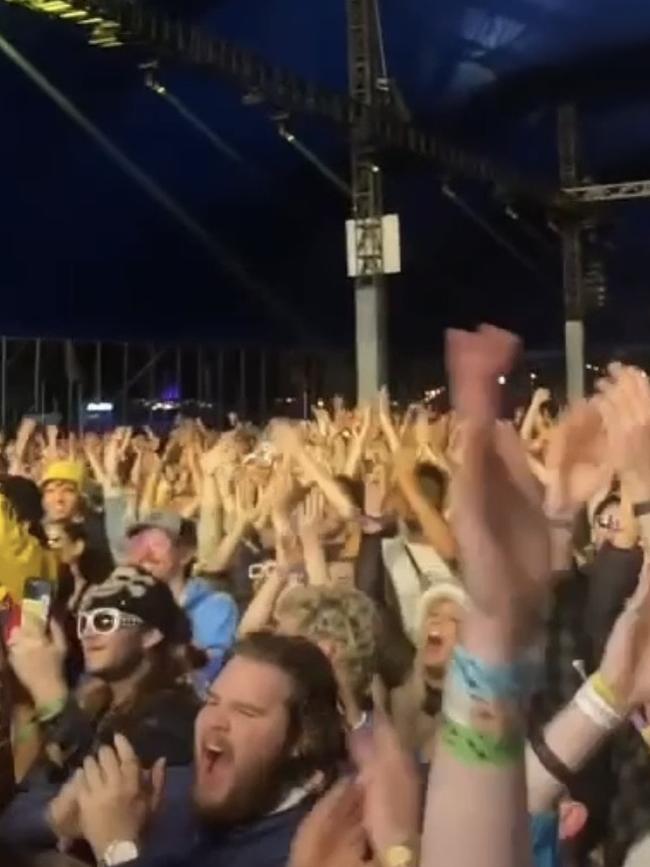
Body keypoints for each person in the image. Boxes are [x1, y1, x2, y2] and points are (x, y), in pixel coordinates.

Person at [51, 632, 348, 867]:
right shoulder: (169, 790)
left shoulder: (313, 845)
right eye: (212, 701)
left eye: (246, 712)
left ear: (301, 740)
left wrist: (117, 851)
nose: (216, 721)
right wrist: (71, 831)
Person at [124, 511, 239, 692]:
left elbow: (209, 675)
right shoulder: (123, 607)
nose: (145, 554)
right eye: (138, 545)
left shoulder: (215, 607)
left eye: (157, 544)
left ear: (185, 554)